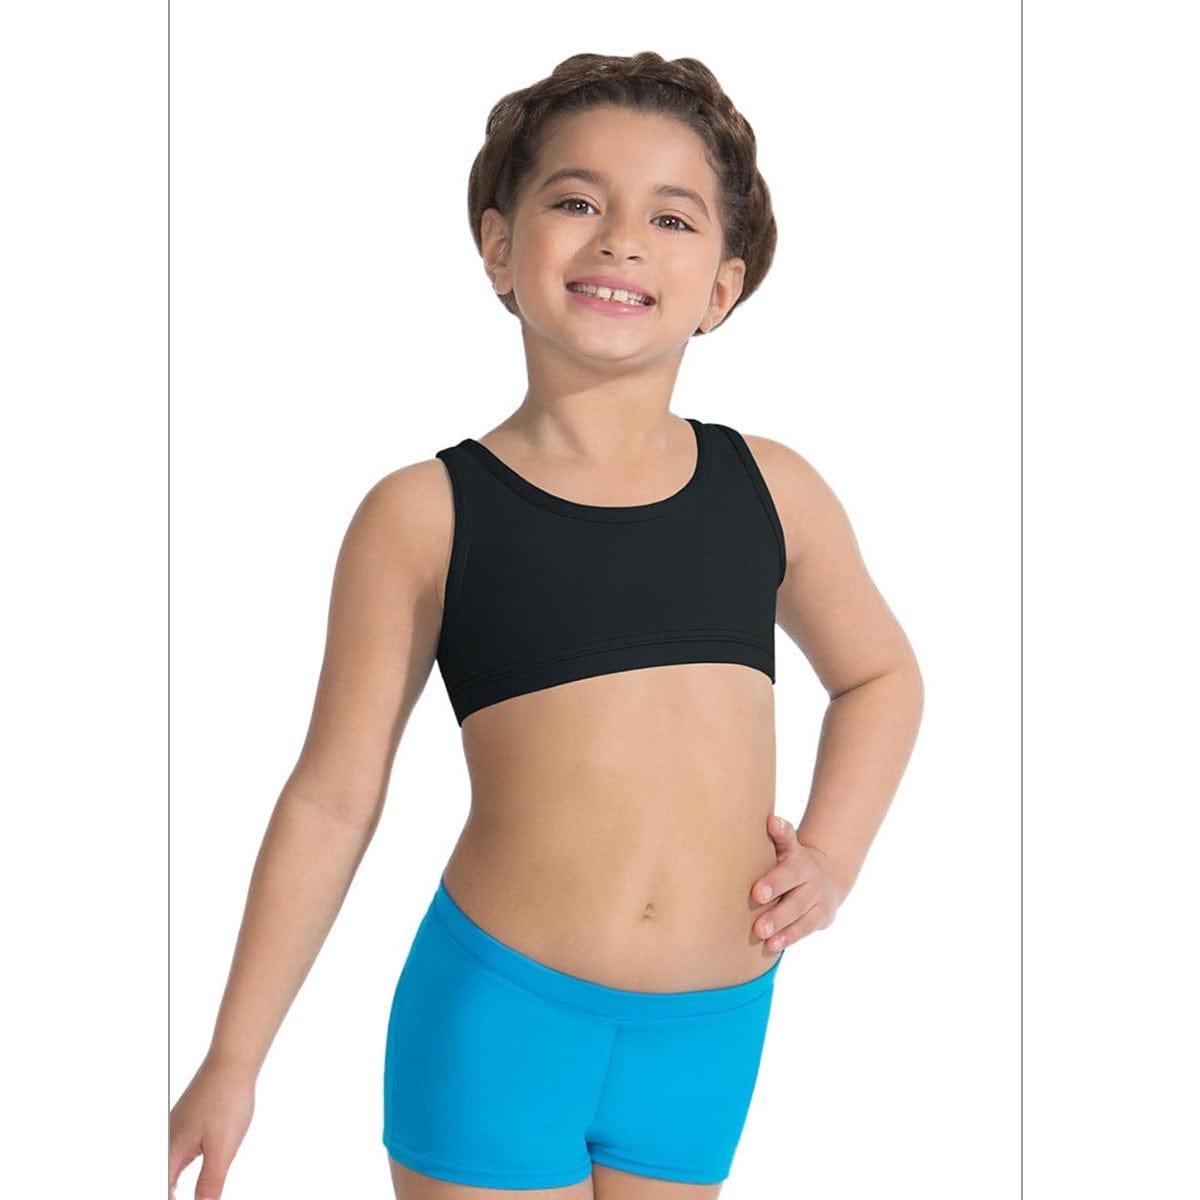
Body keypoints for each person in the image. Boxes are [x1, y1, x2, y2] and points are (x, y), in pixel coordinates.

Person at [169, 50, 924, 1200]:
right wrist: (234, 1059)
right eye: (577, 202)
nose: (621, 241)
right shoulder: (425, 516)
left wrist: (834, 854)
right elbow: (332, 797)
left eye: (670, 218)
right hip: (502, 1019)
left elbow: (880, 676)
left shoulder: (775, 491)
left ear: (722, 286)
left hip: (712, 1033)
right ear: (498, 246)